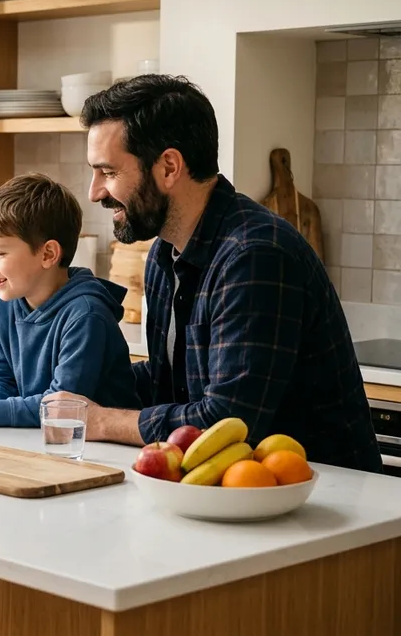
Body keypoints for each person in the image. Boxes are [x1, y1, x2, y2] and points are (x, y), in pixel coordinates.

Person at [44, 74, 382, 472]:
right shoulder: (165, 254)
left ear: (169, 167)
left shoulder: (254, 255)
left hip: (328, 504)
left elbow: (229, 422)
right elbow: (170, 383)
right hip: (233, 494)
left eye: (109, 172)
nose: (94, 191)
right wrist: (82, 380)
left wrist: (100, 420)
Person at [0, 174, 140, 428]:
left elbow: (62, 406)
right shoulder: (6, 305)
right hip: (40, 439)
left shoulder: (86, 316)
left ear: (48, 254)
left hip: (100, 449)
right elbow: (2, 380)